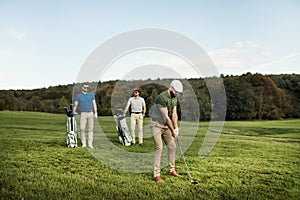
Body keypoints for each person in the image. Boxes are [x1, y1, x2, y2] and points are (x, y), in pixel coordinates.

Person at [150, 80, 183, 182]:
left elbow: (174, 113)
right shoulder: (161, 98)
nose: (177, 93)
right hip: (156, 124)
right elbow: (166, 118)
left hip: (165, 126)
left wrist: (176, 128)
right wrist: (173, 131)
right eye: (176, 91)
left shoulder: (175, 97)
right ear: (170, 88)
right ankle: (156, 175)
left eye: (178, 92)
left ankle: (171, 170)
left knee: (172, 146)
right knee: (159, 148)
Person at [73, 83, 98, 148]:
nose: (86, 89)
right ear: (82, 88)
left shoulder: (91, 95)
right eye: (85, 87)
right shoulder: (79, 96)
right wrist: (73, 112)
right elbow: (75, 105)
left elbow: (94, 104)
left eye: (87, 88)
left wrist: (95, 112)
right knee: (82, 128)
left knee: (90, 129)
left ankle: (90, 144)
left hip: (90, 113)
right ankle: (83, 143)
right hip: (83, 114)